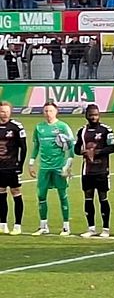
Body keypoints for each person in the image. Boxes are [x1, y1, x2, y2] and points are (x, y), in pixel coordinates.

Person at [29, 101, 74, 236]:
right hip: (44, 167)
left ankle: (66, 226)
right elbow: (36, 146)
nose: (48, 113)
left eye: (50, 111)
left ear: (56, 112)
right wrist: (31, 163)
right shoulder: (39, 128)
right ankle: (43, 226)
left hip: (59, 167)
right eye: (46, 111)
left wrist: (67, 166)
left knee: (62, 195)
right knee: (41, 195)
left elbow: (71, 146)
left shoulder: (63, 127)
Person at [74, 104, 114, 238]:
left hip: (102, 170)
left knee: (103, 198)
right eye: (91, 115)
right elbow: (76, 149)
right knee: (88, 198)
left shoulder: (106, 130)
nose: (93, 117)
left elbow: (112, 148)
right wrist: (83, 152)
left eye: (96, 115)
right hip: (87, 171)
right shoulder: (82, 131)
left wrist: (96, 152)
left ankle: (105, 228)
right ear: (86, 116)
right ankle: (91, 228)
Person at [0, 101, 27, 235]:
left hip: (12, 167)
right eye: (1, 111)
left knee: (16, 193)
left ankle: (17, 225)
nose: (3, 113)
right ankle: (2, 224)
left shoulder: (16, 127)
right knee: (1, 195)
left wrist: (20, 165)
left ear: (10, 112)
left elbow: (24, 147)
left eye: (5, 111)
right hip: (0, 168)